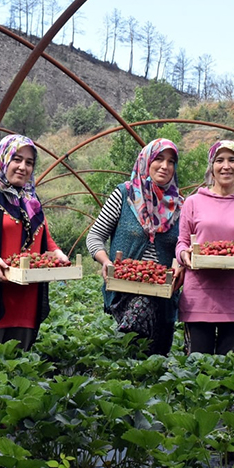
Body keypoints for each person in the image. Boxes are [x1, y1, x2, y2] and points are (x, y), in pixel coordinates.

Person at [0, 134, 69, 351]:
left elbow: (45, 238)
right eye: (16, 159)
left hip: (26, 301)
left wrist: (57, 254)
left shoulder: (33, 203)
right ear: (3, 159)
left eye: (29, 162)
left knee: (18, 370)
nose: (22, 167)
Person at [86, 138, 184, 356]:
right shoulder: (123, 195)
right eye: (159, 158)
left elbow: (184, 247)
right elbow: (95, 236)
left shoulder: (181, 206)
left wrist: (182, 267)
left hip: (165, 293)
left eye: (171, 161)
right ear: (146, 161)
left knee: (157, 360)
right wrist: (106, 262)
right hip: (126, 289)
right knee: (133, 345)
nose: (165, 166)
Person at [177, 140, 234, 355]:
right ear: (211, 167)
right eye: (220, 160)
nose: (226, 166)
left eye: (232, 160)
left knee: (228, 370)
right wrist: (184, 255)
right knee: (197, 369)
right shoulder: (193, 202)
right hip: (199, 297)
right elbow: (182, 242)